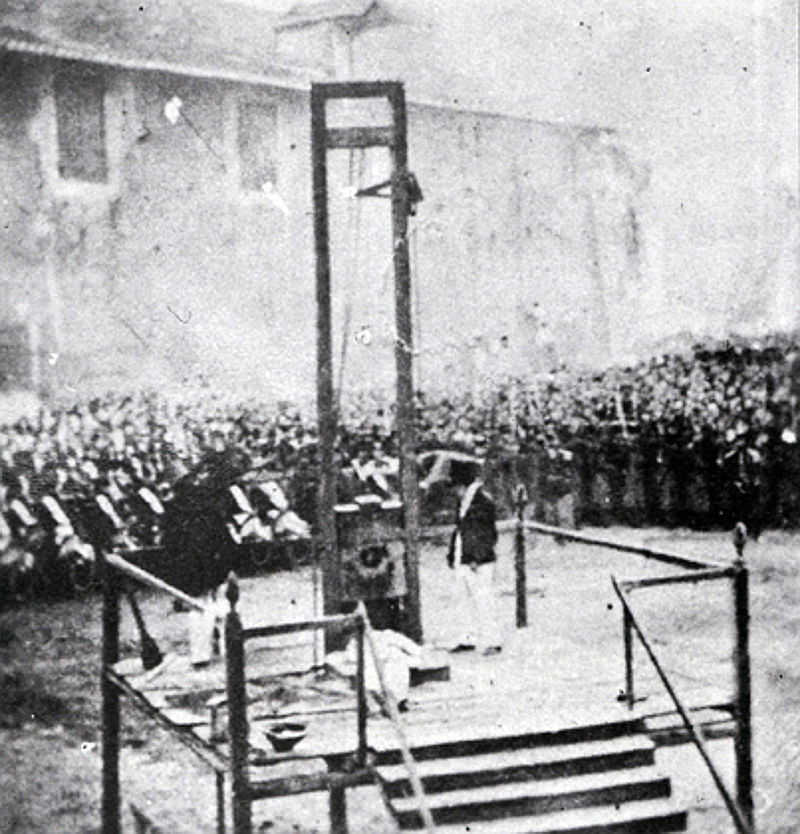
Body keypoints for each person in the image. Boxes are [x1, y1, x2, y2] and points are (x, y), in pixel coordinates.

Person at [446, 459, 503, 655]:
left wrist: (476, 557)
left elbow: (487, 534)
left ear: (463, 486)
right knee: (462, 598)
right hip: (463, 556)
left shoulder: (483, 502)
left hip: (477, 559)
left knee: (483, 599)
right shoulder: (464, 502)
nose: (454, 491)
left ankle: (493, 640)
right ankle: (466, 638)